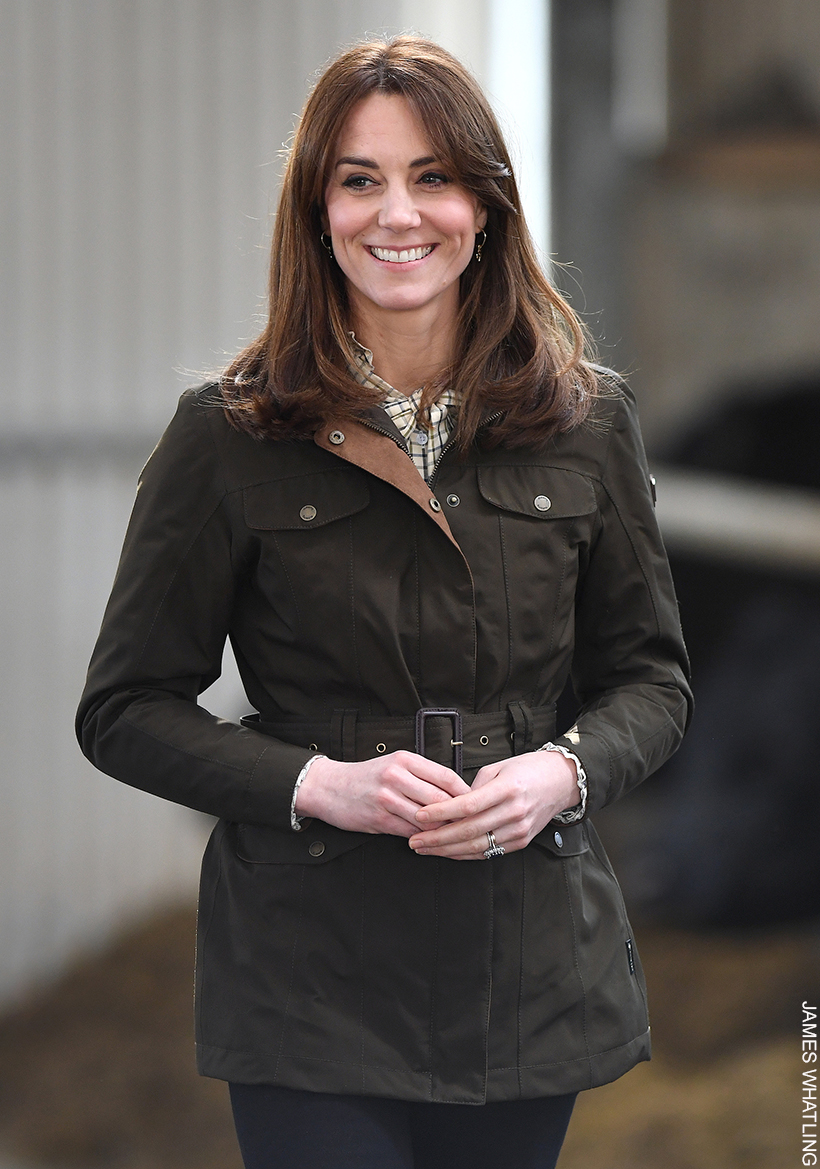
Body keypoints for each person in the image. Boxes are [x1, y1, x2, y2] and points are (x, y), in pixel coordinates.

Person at [76, 35, 692, 1169]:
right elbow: (123, 706)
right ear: (316, 212)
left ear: (486, 207)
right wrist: (318, 783)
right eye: (358, 179)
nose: (396, 214)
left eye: (433, 177)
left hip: (527, 956)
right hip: (310, 970)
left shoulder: (588, 422)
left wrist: (559, 770)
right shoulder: (228, 432)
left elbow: (651, 680)